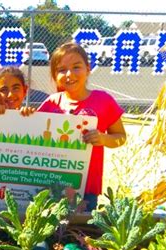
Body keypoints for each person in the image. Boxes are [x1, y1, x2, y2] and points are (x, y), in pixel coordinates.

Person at [38, 42, 126, 211]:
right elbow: (32, 131)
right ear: (55, 75)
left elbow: (121, 137)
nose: (69, 74)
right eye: (62, 70)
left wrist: (103, 138)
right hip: (52, 183)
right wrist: (26, 113)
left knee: (79, 232)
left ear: (88, 68)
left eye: (76, 67)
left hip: (86, 186)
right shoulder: (51, 102)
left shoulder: (104, 101)